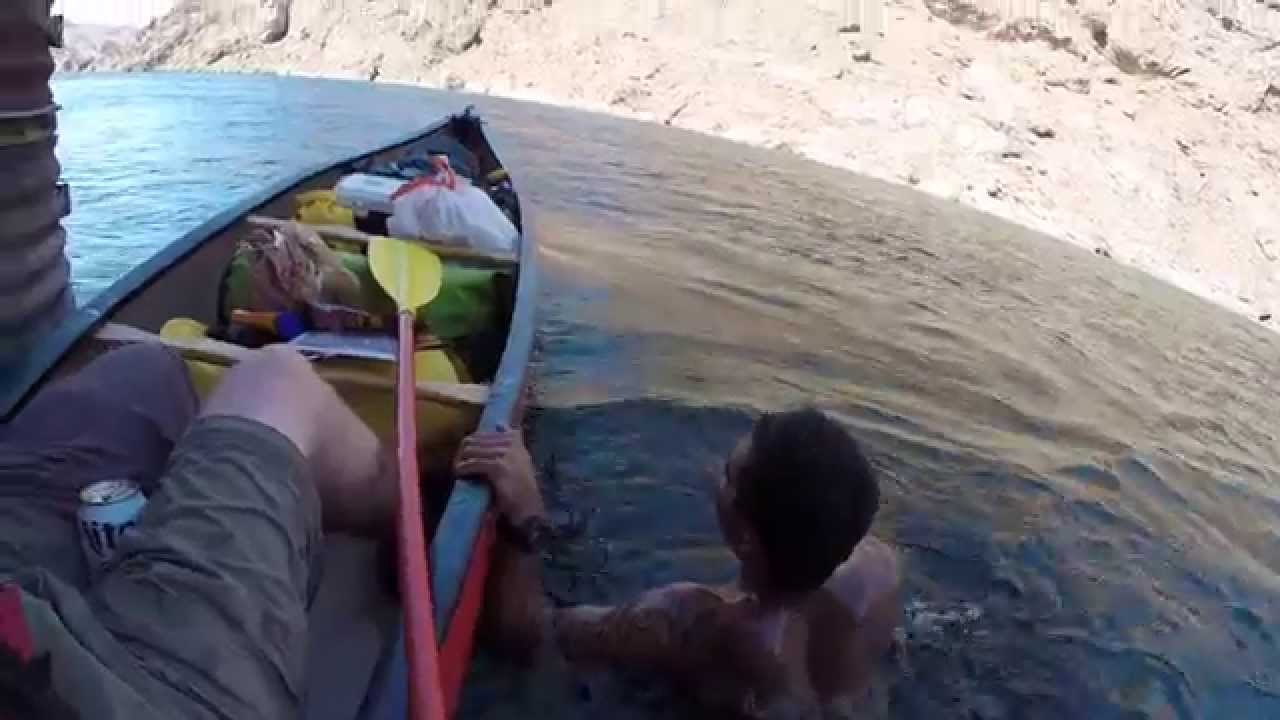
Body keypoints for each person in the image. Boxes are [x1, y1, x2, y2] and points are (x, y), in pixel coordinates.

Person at [0, 344, 529, 719]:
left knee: (144, 371)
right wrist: (528, 525)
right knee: (275, 378)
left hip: (20, 607)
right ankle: (416, 499)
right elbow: (544, 637)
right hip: (130, 696)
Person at [455, 408, 901, 718]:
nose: (712, 475)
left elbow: (528, 635)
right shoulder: (877, 577)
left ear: (745, 537)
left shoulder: (689, 621)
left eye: (727, 476)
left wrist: (524, 516)